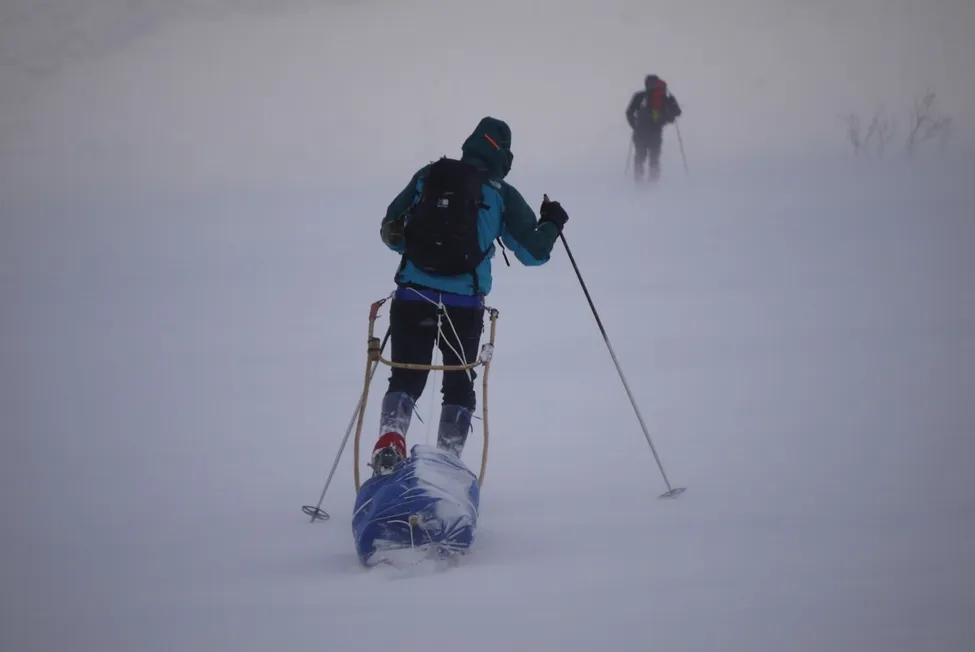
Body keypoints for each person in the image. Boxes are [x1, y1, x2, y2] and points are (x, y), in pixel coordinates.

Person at [371, 116, 569, 477]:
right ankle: (447, 463)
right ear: (504, 156)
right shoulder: (502, 195)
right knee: (458, 385)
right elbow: (533, 254)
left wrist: (421, 252)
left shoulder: (428, 175)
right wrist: (552, 222)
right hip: (463, 307)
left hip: (412, 297)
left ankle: (390, 437)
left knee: (404, 377)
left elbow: (390, 230)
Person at [625, 74, 682, 182]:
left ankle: (639, 182)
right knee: (654, 158)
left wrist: (634, 125)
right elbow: (677, 112)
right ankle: (653, 183)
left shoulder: (639, 96)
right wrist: (672, 104)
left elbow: (629, 112)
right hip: (656, 132)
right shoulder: (664, 97)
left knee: (640, 157)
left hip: (640, 132)